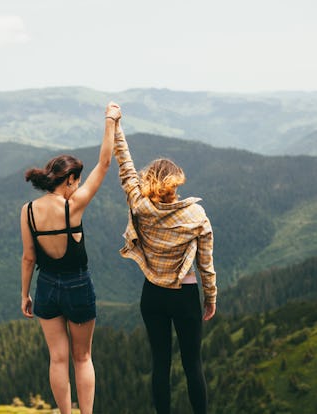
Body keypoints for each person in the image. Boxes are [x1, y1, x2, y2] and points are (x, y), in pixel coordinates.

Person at [20, 102, 121, 414]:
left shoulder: (28, 211)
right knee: (82, 358)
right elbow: (104, 164)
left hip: (46, 288)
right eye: (76, 181)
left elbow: (28, 258)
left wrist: (25, 294)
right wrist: (110, 120)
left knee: (58, 359)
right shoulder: (72, 206)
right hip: (78, 287)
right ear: (70, 180)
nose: (77, 186)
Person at [113, 112, 217, 414]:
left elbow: (125, 167)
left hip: (153, 295)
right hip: (185, 298)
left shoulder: (140, 206)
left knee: (160, 363)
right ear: (176, 183)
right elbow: (206, 266)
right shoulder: (196, 217)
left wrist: (116, 127)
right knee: (192, 364)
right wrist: (209, 298)